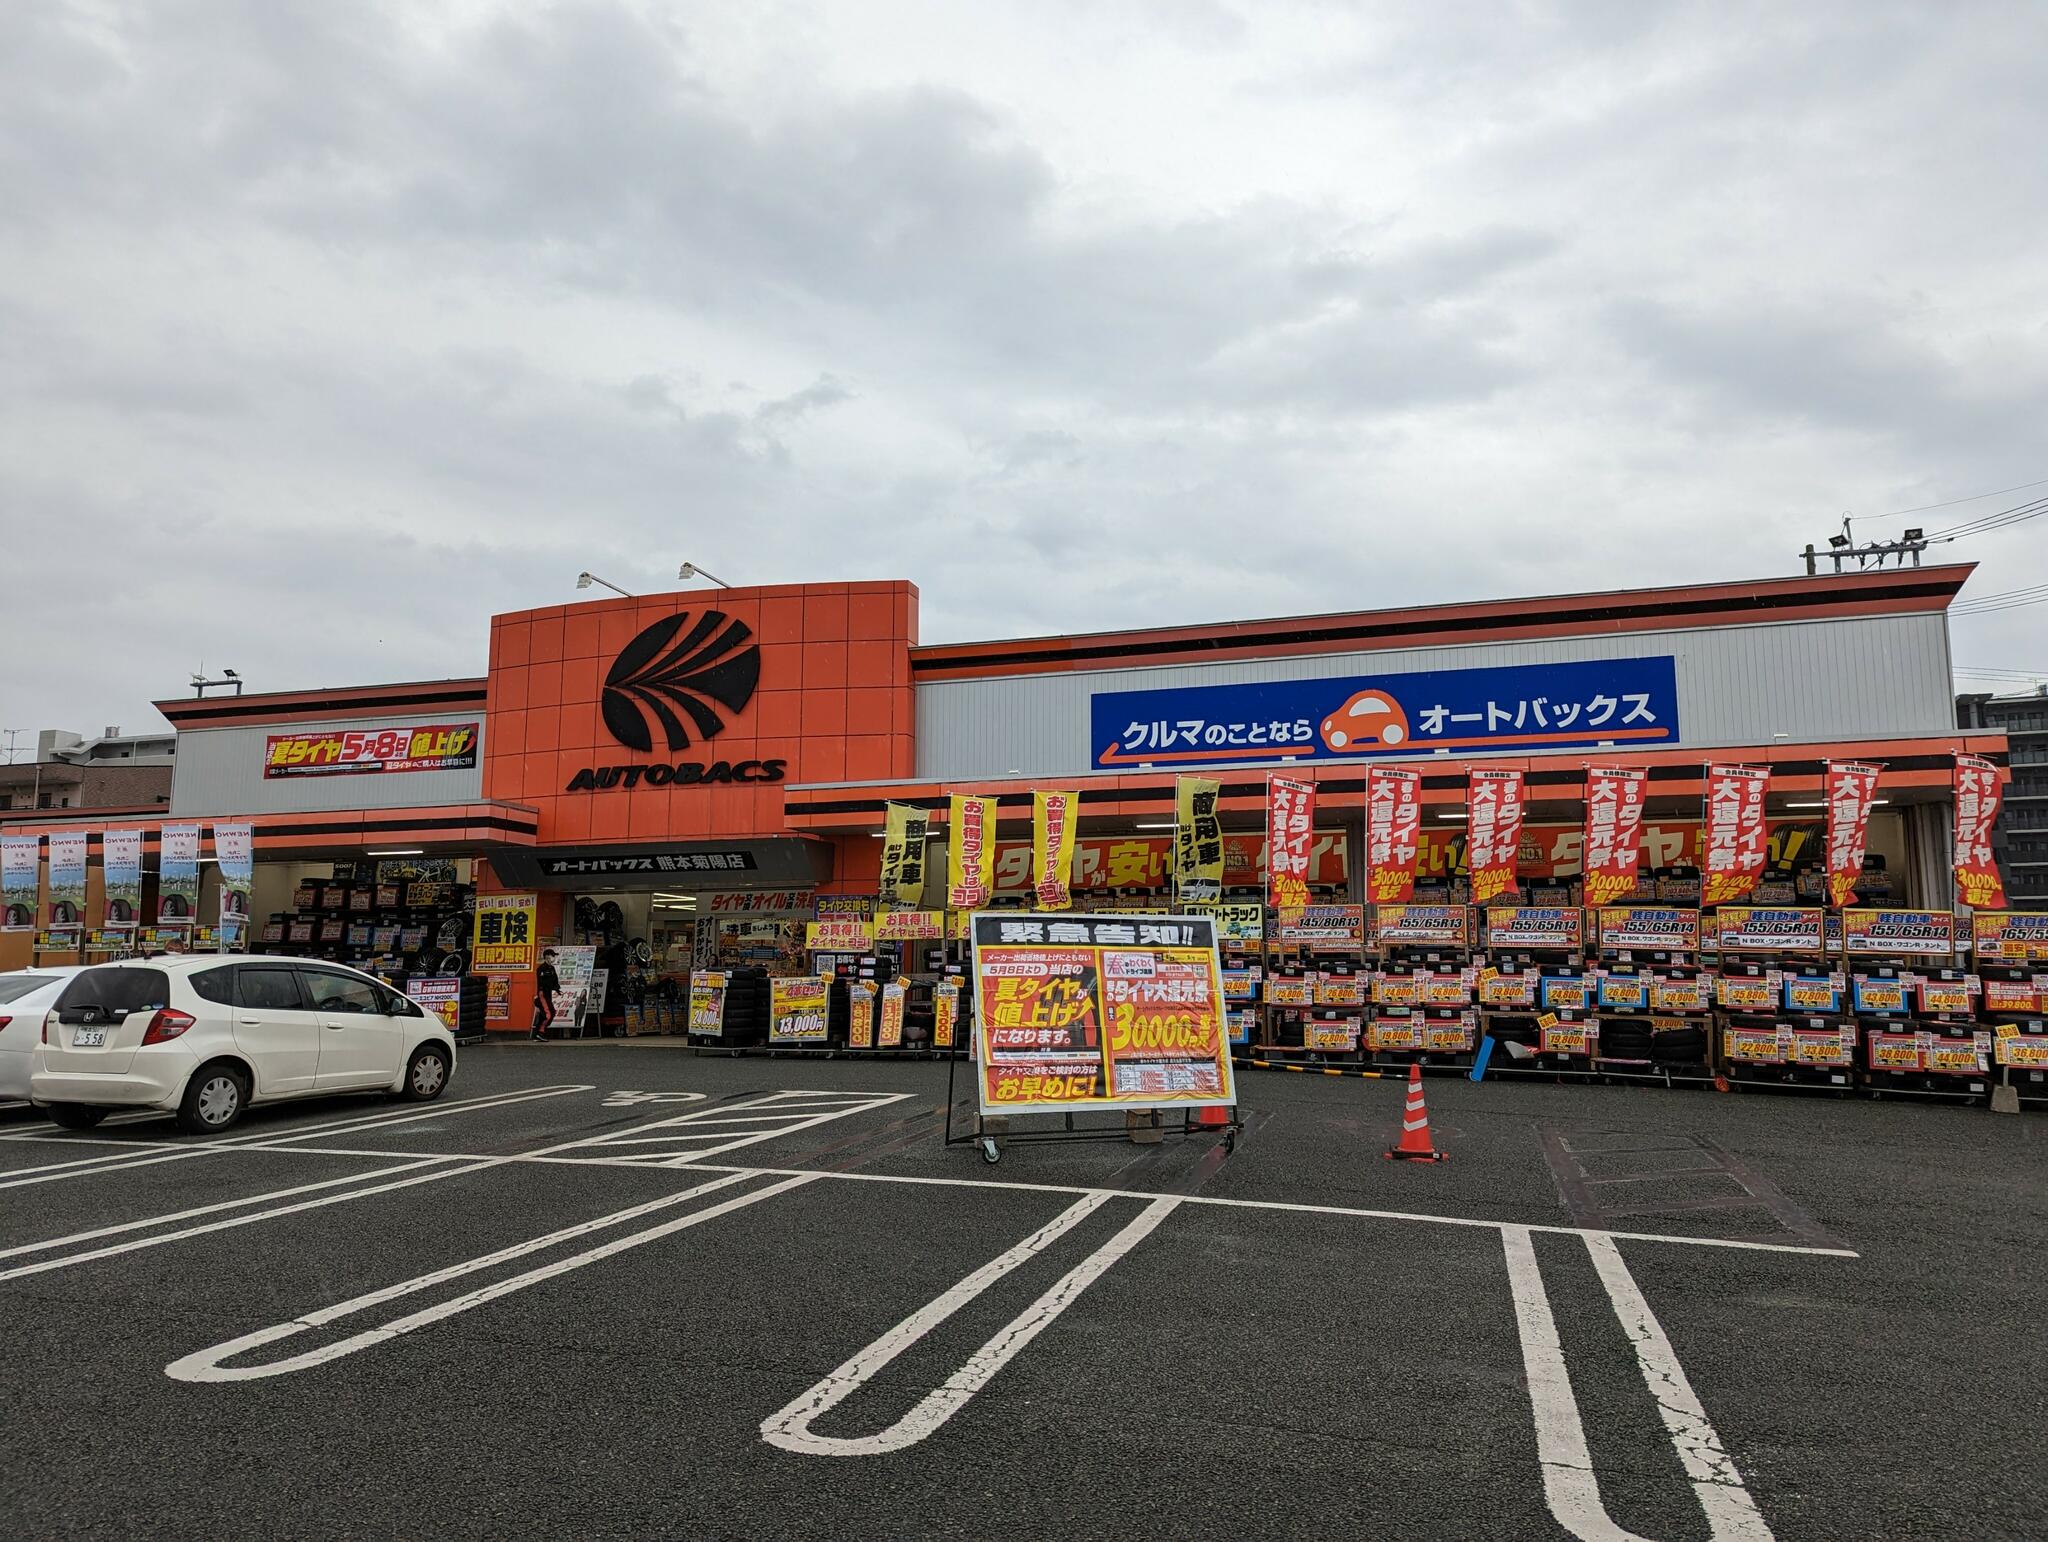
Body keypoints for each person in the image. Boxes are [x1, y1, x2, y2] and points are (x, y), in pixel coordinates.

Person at [533, 949, 560, 1042]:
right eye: (552, 956)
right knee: (548, 1014)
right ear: (547, 957)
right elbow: (543, 982)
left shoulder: (552, 968)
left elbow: (555, 981)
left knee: (550, 1013)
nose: (553, 958)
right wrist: (552, 985)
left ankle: (538, 1033)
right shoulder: (541, 969)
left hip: (548, 994)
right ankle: (540, 1033)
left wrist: (557, 988)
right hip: (542, 994)